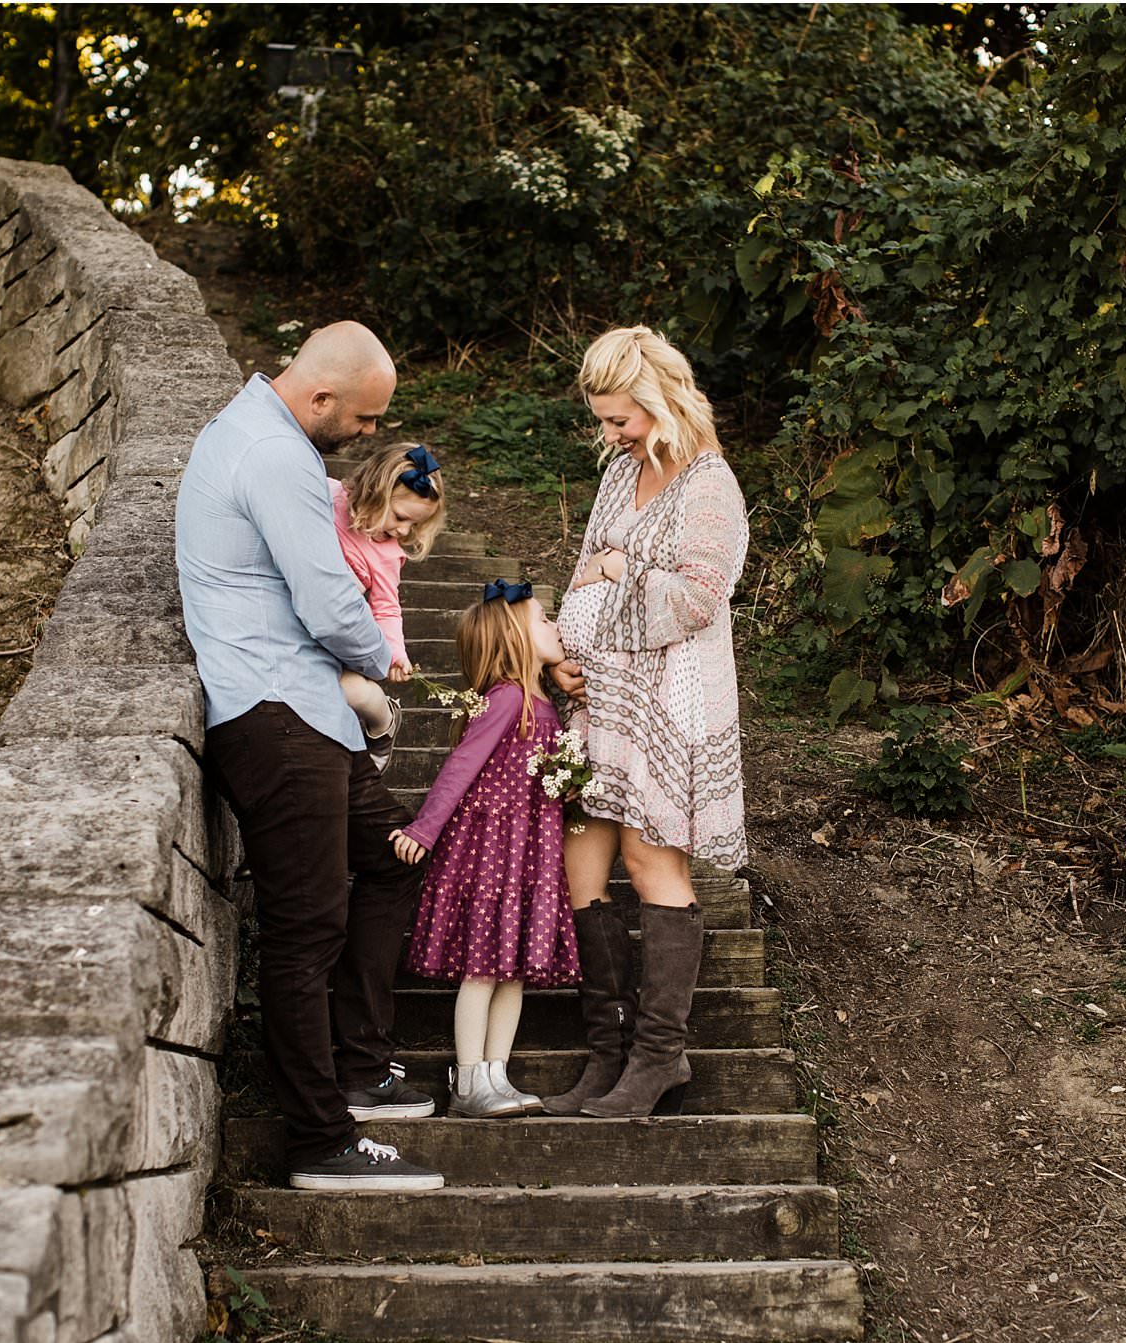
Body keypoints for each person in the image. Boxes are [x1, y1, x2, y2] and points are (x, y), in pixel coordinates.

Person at [175, 320, 443, 1193]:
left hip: (307, 712)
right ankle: (318, 1138)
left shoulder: (259, 438)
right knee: (308, 925)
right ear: (322, 398)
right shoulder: (275, 454)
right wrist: (381, 658)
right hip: (273, 712)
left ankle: (362, 1064)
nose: (369, 436)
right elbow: (329, 601)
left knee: (394, 853)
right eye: (364, 419)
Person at [542, 325, 750, 1119]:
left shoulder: (708, 484)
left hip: (666, 697)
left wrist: (623, 569)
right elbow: (581, 566)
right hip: (602, 697)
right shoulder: (622, 472)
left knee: (647, 854)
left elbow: (696, 598)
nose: (609, 434)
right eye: (602, 419)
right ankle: (606, 1055)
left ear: (662, 402)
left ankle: (659, 1057)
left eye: (620, 418)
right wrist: (562, 650)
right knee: (581, 865)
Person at [390, 580, 580, 1118]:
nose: (555, 626)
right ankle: (470, 1078)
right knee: (481, 968)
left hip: (530, 849)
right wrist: (423, 830)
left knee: (513, 969)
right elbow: (460, 767)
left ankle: (498, 1074)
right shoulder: (507, 698)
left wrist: (564, 785)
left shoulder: (543, 700)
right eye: (544, 619)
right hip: (492, 846)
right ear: (517, 637)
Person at [331, 441, 448, 770]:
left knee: (352, 692)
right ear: (374, 491)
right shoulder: (325, 495)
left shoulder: (387, 553)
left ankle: (384, 719)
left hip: (341, 632)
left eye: (414, 525)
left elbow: (386, 607)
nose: (403, 530)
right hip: (301, 617)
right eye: (400, 517)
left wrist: (395, 652)